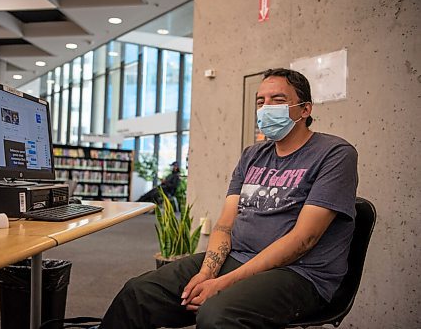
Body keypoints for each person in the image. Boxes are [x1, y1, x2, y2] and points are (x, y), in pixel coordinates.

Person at [98, 68, 358, 329]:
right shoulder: (252, 155)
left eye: (278, 100)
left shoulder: (334, 154)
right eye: (260, 101)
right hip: (236, 258)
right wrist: (206, 273)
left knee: (217, 314)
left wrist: (222, 283)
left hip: (300, 273)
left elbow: (304, 239)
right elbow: (225, 225)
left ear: (305, 109)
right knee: (138, 293)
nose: (266, 107)